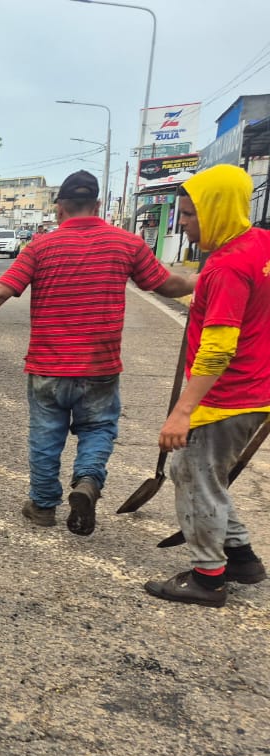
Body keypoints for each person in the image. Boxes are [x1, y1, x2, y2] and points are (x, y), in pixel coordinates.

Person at [0, 170, 195, 535]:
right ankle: (88, 482)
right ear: (97, 206)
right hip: (100, 367)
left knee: (45, 437)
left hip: (48, 366)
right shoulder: (127, 243)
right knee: (98, 429)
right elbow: (166, 285)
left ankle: (43, 506)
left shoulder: (40, 247)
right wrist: (200, 283)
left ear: (59, 209)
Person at [144, 164, 270, 607]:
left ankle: (208, 578)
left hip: (226, 396)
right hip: (256, 389)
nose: (183, 224)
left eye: (189, 215)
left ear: (216, 209)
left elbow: (218, 349)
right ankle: (242, 558)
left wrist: (182, 411)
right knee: (200, 474)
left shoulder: (229, 266)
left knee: (197, 477)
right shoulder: (259, 246)